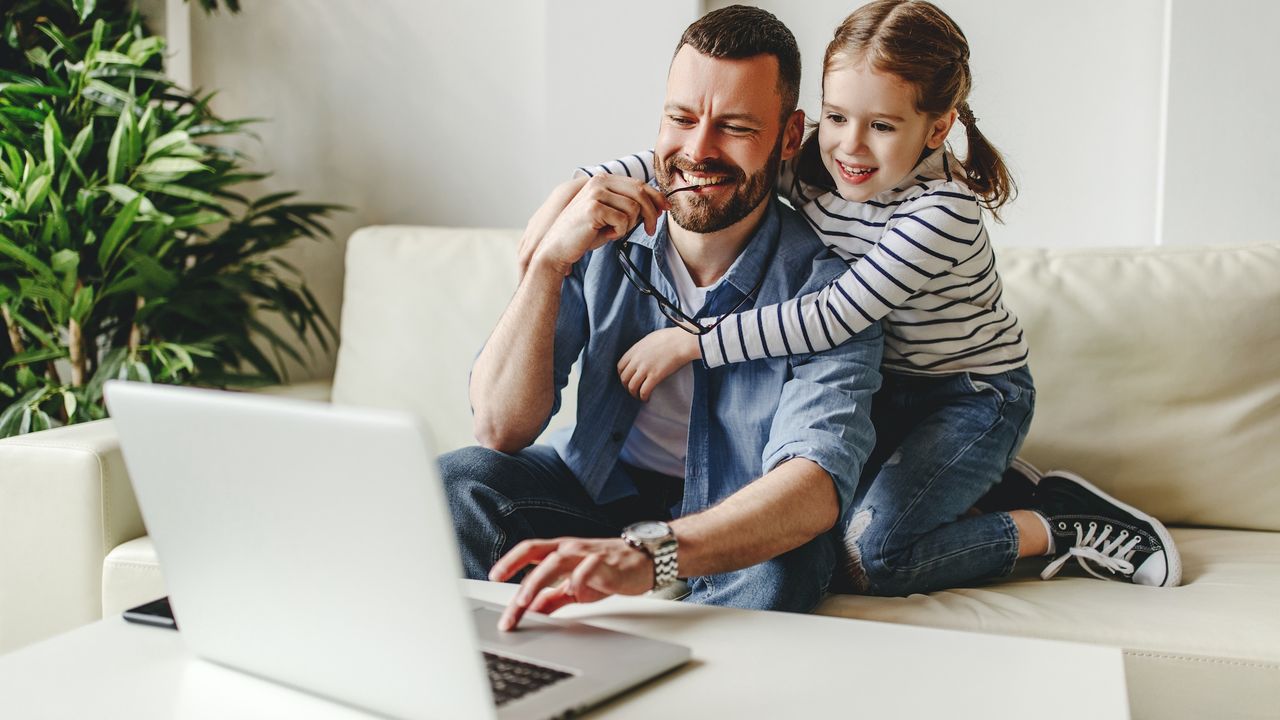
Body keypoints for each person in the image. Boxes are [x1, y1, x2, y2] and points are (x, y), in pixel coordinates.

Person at [557, 0, 1181, 593]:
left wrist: (696, 342)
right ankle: (977, 485)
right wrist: (579, 190)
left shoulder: (941, 212)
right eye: (836, 118)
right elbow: (699, 161)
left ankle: (1053, 523)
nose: (850, 147)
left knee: (871, 556)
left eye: (882, 126)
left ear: (937, 128)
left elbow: (834, 314)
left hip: (967, 396)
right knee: (802, 529)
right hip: (885, 387)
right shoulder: (816, 166)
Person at [448, 5, 884, 632]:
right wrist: (546, 266)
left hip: (737, 517)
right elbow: (500, 428)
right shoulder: (600, 235)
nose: (698, 151)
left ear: (791, 137)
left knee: (785, 563)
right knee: (463, 480)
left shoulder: (836, 290)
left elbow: (812, 485)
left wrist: (653, 554)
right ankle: (519, 667)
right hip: (601, 491)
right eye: (681, 119)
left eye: (734, 127)